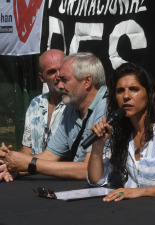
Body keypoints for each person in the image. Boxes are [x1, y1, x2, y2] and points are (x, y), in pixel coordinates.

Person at [88, 62, 155, 203]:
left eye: (134, 89)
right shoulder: (120, 133)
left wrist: (139, 192)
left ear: (150, 95)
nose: (126, 96)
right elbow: (97, 180)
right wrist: (97, 146)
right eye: (120, 90)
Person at [1, 52, 107, 180]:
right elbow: (50, 156)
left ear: (87, 81)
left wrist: (30, 164)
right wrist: (11, 164)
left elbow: (89, 169)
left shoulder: (106, 106)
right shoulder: (71, 108)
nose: (60, 85)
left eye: (65, 80)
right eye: (53, 73)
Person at [0, 49, 66, 182]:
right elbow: (27, 149)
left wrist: (24, 164)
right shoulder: (36, 103)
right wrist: (9, 157)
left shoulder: (76, 106)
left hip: (65, 180)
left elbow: (71, 157)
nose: (58, 75)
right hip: (36, 179)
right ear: (42, 78)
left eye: (62, 69)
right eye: (51, 72)